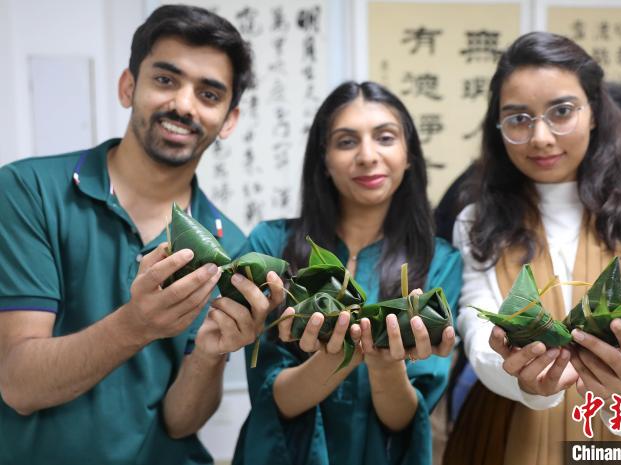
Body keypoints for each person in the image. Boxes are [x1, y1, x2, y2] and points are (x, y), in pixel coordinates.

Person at [0, 5, 284, 465]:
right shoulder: (28, 191)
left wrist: (210, 354)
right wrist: (136, 325)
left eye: (209, 94)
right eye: (166, 80)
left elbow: (180, 423)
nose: (184, 105)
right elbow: (19, 385)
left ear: (229, 120)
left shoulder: (228, 244)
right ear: (128, 86)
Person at [444, 31, 621, 465]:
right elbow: (478, 328)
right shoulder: (477, 222)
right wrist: (522, 377)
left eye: (561, 111)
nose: (541, 137)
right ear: (498, 127)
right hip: (503, 432)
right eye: (518, 118)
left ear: (594, 112)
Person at [232, 81, 462, 465]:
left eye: (385, 138)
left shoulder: (440, 260)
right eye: (346, 142)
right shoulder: (270, 245)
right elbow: (274, 399)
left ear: (409, 155)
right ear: (324, 159)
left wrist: (383, 362)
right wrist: (341, 355)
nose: (368, 156)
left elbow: (405, 419)